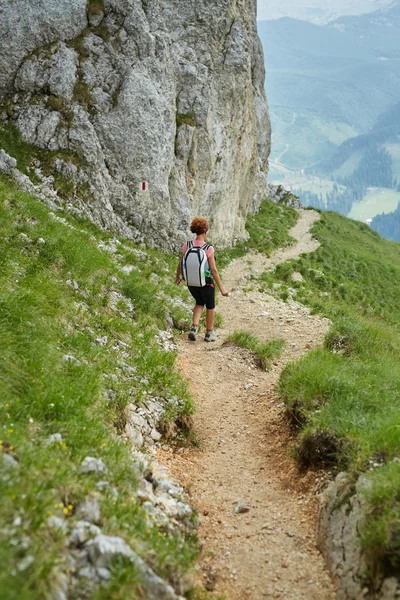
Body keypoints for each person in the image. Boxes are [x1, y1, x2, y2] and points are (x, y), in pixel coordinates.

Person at [176, 217, 229, 342]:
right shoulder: (208, 248)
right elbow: (214, 270)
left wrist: (177, 277)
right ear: (205, 230)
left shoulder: (187, 245)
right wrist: (221, 287)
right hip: (206, 282)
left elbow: (180, 263)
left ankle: (194, 328)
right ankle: (209, 333)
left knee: (199, 302)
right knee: (210, 306)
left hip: (191, 282)